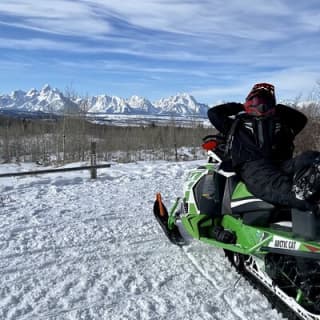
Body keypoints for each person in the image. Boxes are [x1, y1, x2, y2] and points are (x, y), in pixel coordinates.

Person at [207, 83, 320, 213]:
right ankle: (307, 200)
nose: (262, 106)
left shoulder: (279, 123)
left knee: (311, 157)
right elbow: (214, 114)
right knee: (283, 188)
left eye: (267, 102)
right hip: (253, 167)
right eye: (257, 102)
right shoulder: (237, 124)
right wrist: (239, 106)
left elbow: (300, 119)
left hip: (280, 164)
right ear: (249, 103)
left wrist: (278, 108)